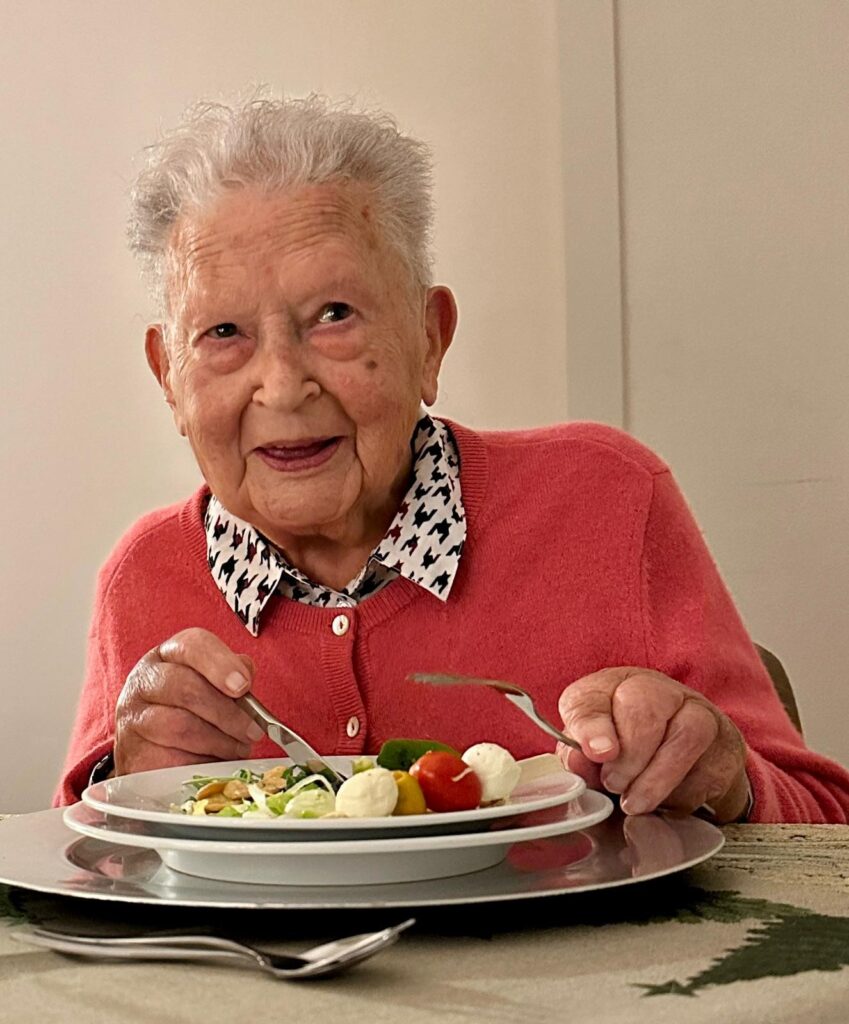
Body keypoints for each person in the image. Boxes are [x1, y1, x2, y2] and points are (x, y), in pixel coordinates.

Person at [55, 94, 849, 824]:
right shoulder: (145, 576)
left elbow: (823, 830)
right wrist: (128, 791)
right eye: (222, 334)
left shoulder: (605, 499)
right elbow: (76, 880)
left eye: (334, 315)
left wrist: (724, 780)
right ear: (168, 375)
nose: (282, 386)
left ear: (429, 338)